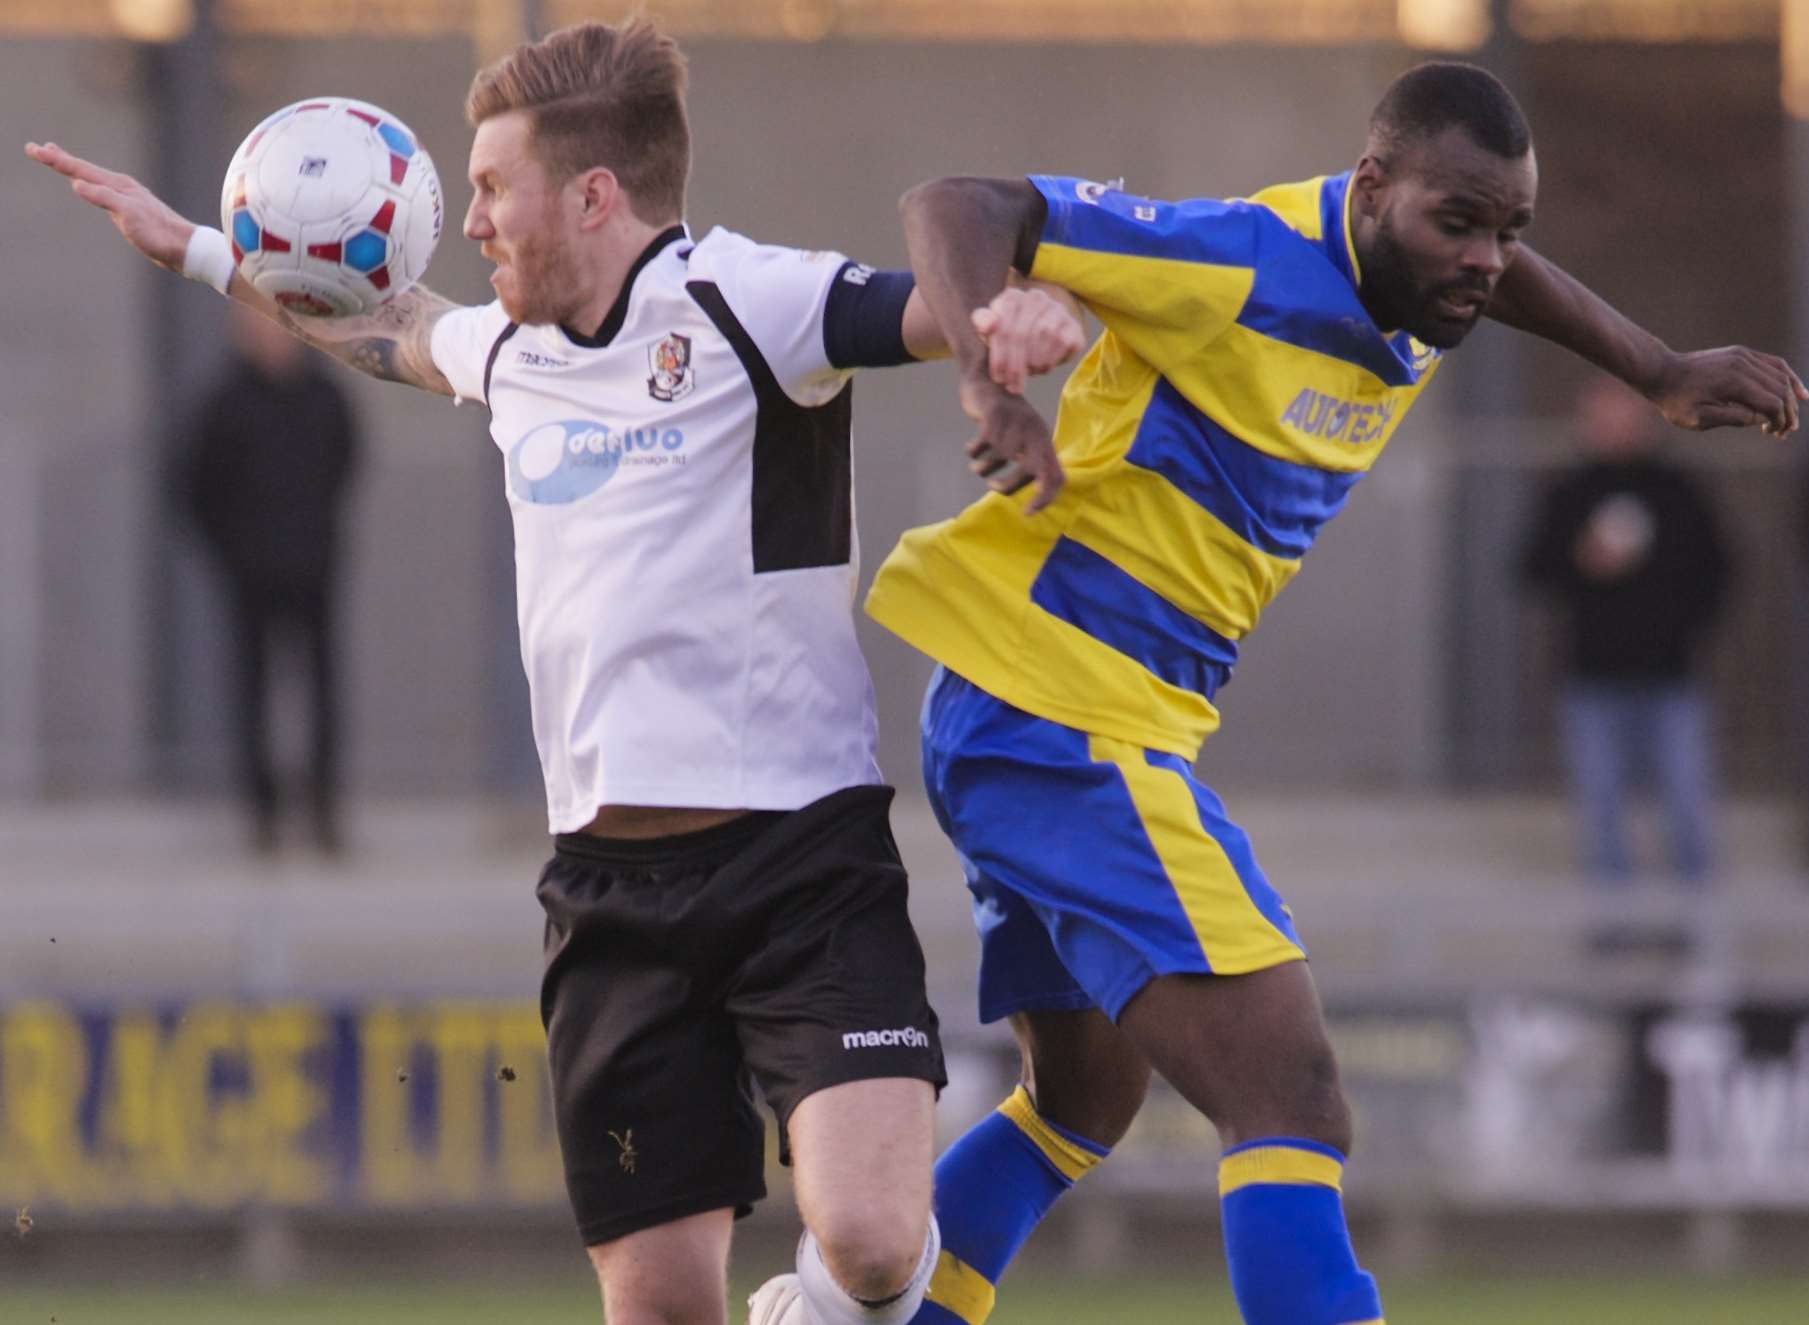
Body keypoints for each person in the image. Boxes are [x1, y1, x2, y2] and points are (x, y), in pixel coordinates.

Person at [26, 19, 1082, 1325]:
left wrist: (1017, 313)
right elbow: (381, 325)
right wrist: (195, 246)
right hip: (609, 899)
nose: (466, 221)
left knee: (868, 1242)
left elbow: (932, 306)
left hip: (803, 866)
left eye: (488, 188)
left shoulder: (753, 302)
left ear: (590, 194)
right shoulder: (511, 355)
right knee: (656, 1311)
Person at [852, 62, 1802, 1325]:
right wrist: (988, 383)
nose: (1482, 259)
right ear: (1370, 191)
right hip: (1061, 713)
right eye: (1454, 223)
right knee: (1290, 1094)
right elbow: (957, 200)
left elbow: (1494, 261)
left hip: (1050, 715)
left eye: (1505, 228)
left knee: (1083, 1101)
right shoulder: (1240, 264)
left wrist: (1656, 365)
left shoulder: (1422, 280)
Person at [1520, 377, 1729, 889]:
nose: (1612, 427)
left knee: (1687, 801)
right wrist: (1582, 560)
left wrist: (1678, 617)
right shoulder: (1568, 491)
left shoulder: (1678, 490)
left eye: (1622, 415)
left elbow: (1718, 569)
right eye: (1601, 416)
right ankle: (1615, 925)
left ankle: (1699, 924)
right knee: (1601, 806)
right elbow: (1530, 569)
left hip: (1671, 674)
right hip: (1592, 676)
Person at [179, 302, 361, 855]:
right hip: (250, 576)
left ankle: (323, 810)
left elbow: (347, 463)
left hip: (315, 569)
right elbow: (192, 485)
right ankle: (263, 815)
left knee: (323, 691)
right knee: (251, 691)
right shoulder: (224, 403)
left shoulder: (324, 396)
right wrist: (231, 552)